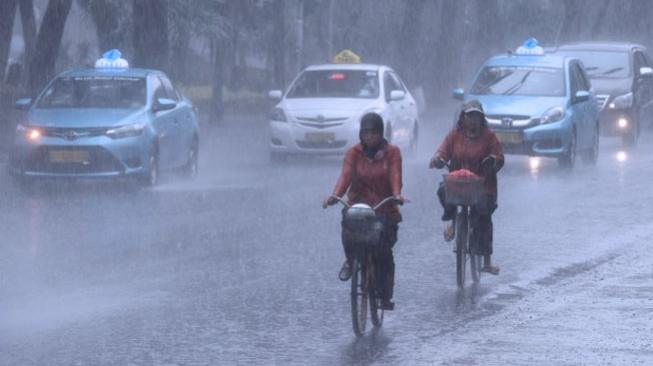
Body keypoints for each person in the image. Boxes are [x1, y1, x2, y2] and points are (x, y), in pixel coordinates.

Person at [323, 112, 405, 310]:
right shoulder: (353, 153)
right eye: (366, 133)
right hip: (358, 207)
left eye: (374, 133)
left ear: (380, 134)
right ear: (361, 134)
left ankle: (385, 295)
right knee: (348, 229)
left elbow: (395, 175)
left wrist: (396, 194)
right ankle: (351, 262)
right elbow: (345, 176)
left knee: (383, 252)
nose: (369, 137)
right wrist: (335, 195)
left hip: (384, 208)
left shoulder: (392, 152)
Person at [429, 100, 504, 275]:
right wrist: (437, 159)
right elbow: (442, 152)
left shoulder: (489, 137)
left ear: (481, 118)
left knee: (483, 217)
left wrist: (494, 161)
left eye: (476, 116)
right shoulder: (454, 135)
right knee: (442, 191)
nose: (473, 120)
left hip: (483, 187)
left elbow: (499, 157)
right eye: (469, 116)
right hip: (458, 184)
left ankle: (486, 261)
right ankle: (454, 222)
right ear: (463, 118)